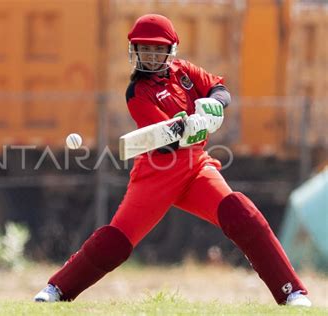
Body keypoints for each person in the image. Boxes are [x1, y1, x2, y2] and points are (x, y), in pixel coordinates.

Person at [34, 14, 311, 306]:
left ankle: (291, 291)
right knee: (116, 242)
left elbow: (219, 88)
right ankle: (57, 289)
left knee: (241, 212)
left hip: (196, 168)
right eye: (145, 49)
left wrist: (215, 104)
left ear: (170, 50)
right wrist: (197, 125)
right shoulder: (138, 92)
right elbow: (167, 142)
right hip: (158, 172)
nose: (151, 55)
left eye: (158, 48)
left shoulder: (184, 72)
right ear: (135, 51)